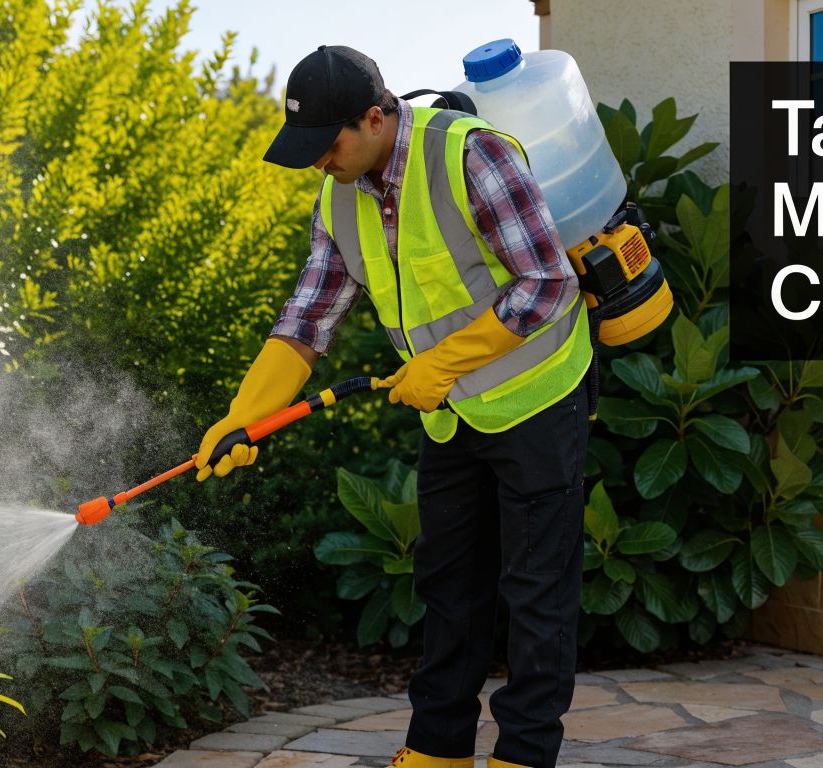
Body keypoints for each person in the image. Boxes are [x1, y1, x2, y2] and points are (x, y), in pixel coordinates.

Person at [194, 45, 593, 768]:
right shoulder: (339, 197)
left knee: (537, 592)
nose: (322, 163)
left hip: (537, 396)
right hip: (451, 412)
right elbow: (307, 319)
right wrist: (242, 416)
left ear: (374, 119)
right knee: (448, 586)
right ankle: (438, 750)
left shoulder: (469, 156)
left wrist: (442, 362)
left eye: (330, 144)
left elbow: (547, 282)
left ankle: (526, 754)